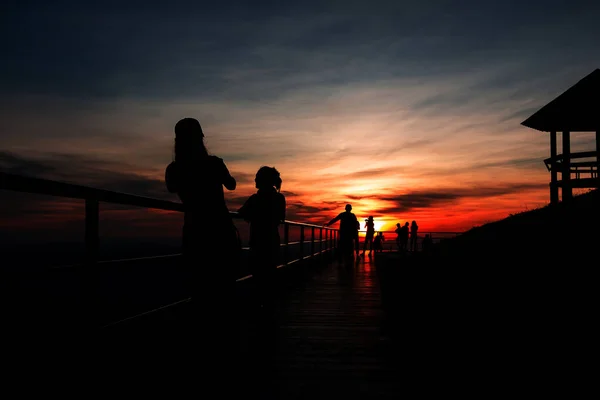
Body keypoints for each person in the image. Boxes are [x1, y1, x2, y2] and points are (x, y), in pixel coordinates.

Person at [164, 117, 239, 378]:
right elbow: (231, 184)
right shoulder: (214, 163)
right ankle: (225, 351)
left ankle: (200, 355)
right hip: (221, 231)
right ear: (201, 138)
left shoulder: (175, 168)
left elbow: (172, 188)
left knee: (199, 287)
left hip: (195, 232)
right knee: (224, 287)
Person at [237, 166, 286, 310]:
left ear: (263, 180)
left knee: (258, 274)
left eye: (257, 177)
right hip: (272, 240)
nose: (255, 180)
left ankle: (259, 305)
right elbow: (280, 217)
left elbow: (243, 213)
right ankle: (269, 305)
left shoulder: (255, 199)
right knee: (270, 271)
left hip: (258, 241)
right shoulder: (279, 198)